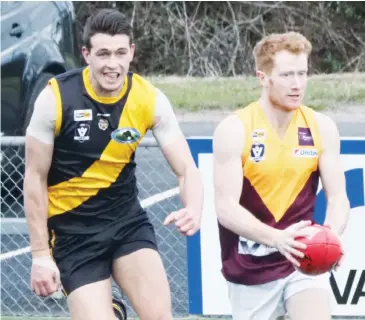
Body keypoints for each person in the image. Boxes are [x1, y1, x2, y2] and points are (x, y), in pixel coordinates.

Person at [23, 8, 204, 320]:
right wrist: (40, 255)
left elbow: (186, 169)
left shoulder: (149, 99)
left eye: (121, 53)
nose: (113, 64)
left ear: (131, 52)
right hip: (72, 235)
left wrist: (194, 207)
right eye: (103, 53)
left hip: (126, 224)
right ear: (86, 54)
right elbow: (34, 179)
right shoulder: (54, 99)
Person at [212, 31, 350, 320]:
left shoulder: (321, 127)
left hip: (302, 259)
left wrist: (330, 239)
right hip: (251, 264)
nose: (297, 84)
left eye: (302, 73)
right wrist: (277, 239)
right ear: (263, 77)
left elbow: (338, 199)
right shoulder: (235, 129)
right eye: (287, 75)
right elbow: (226, 208)